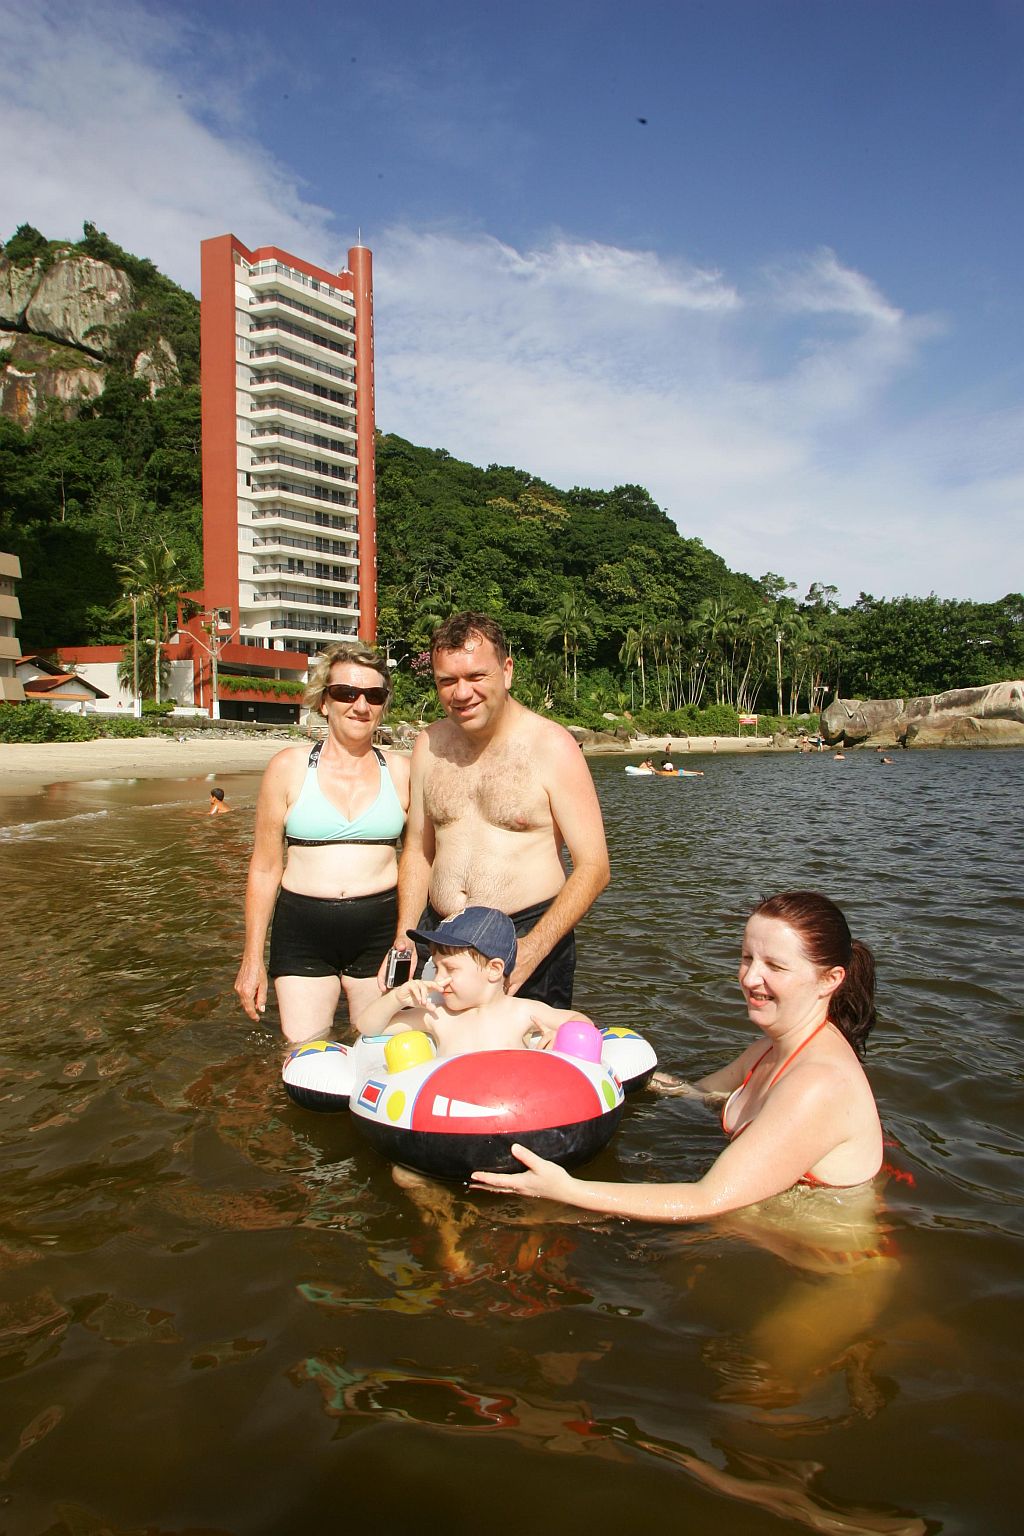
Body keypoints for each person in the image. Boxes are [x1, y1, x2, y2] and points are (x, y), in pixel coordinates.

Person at [472, 891, 884, 1218]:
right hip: (759, 1229)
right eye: (746, 958)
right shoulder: (769, 1051)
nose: (750, 977)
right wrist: (589, 1059)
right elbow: (693, 1094)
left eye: (775, 966)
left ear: (830, 979)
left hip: (823, 1266)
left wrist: (568, 1190)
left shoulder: (819, 1084)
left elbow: (708, 1199)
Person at [388, 612, 609, 1007]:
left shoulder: (552, 746)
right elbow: (419, 853)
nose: (461, 693)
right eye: (447, 681)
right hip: (439, 936)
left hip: (524, 936)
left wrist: (531, 949)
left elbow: (594, 866)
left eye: (476, 677)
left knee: (521, 1065)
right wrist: (405, 936)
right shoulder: (429, 745)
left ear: (506, 671)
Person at [234, 641, 411, 1042]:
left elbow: (420, 858)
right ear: (323, 702)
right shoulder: (288, 768)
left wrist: (408, 936)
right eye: (346, 693)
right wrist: (251, 959)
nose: (360, 705)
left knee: (378, 1051)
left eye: (374, 695)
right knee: (305, 1057)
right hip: (303, 931)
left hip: (380, 931)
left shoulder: (402, 772)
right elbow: (264, 868)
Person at [358, 906, 591, 1057]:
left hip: (513, 1107)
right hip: (456, 1112)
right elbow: (369, 1028)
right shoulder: (437, 1016)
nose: (438, 980)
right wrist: (396, 998)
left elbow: (580, 1021)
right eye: (437, 968)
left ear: (494, 970)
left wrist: (562, 1036)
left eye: (450, 969)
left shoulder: (523, 1012)